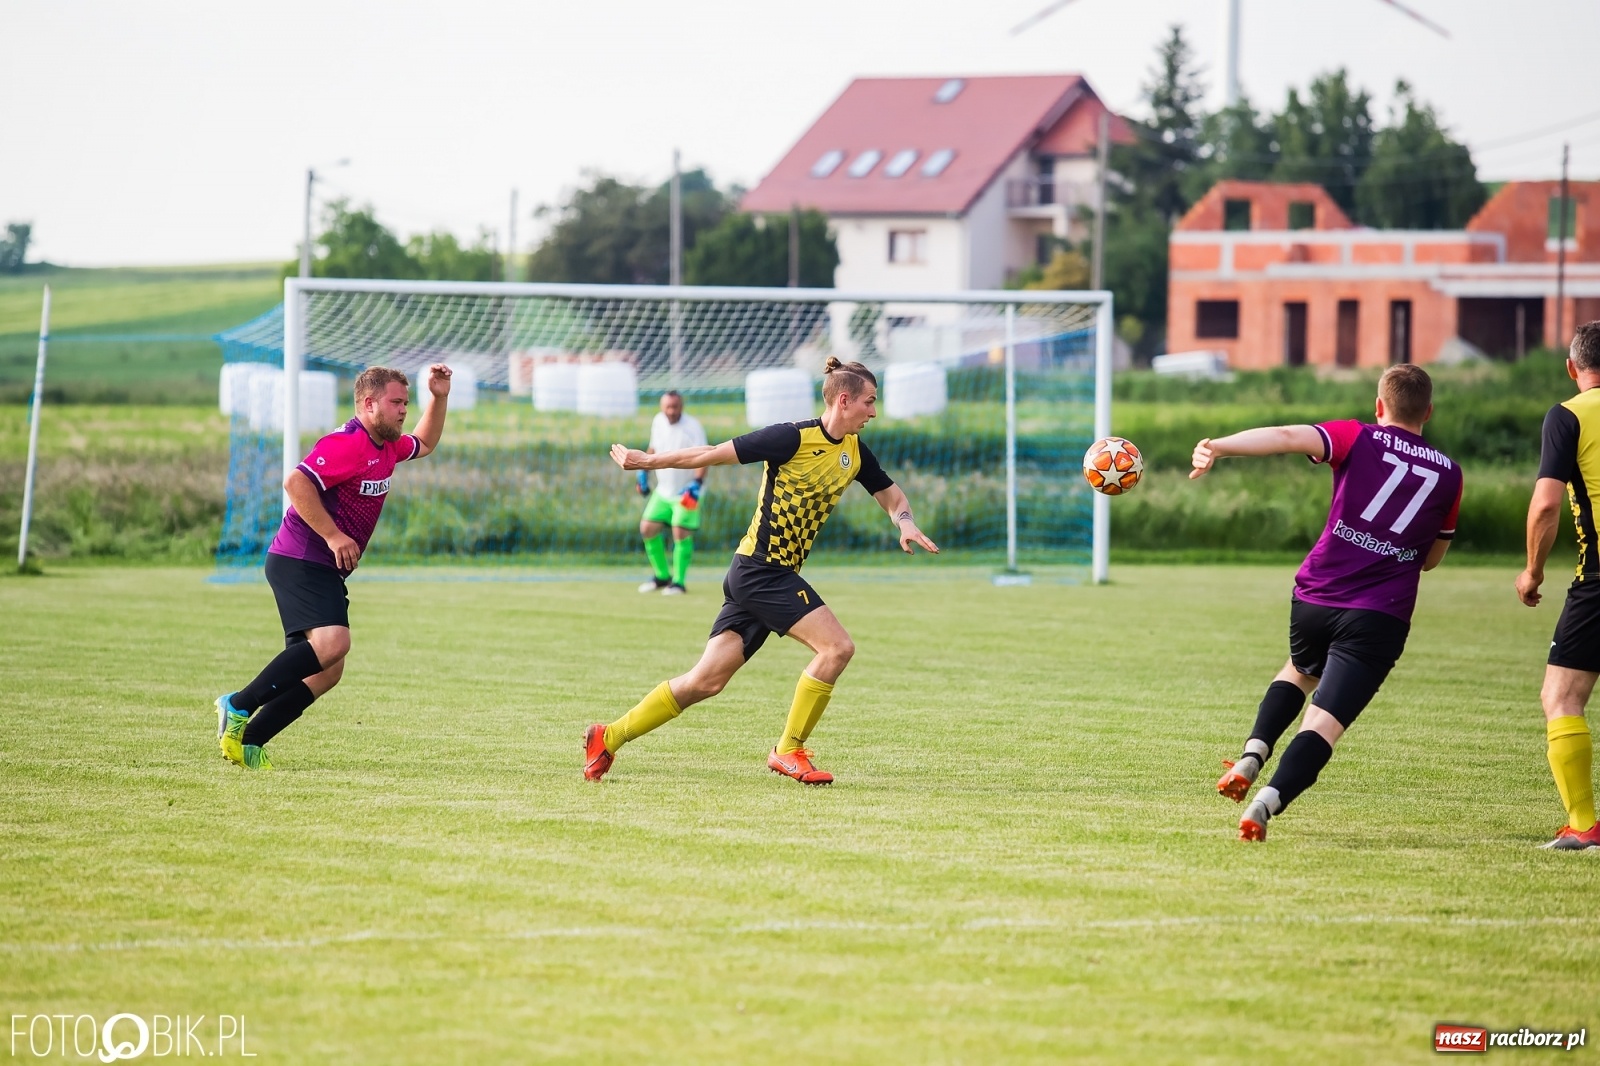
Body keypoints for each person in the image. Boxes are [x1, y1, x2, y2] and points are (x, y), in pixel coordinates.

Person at [587, 357, 939, 785]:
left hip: (758, 574)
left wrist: (905, 524)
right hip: (762, 571)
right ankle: (789, 751)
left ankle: (607, 737)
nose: (874, 411)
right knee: (837, 649)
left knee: (704, 681)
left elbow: (892, 496)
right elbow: (712, 453)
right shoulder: (790, 438)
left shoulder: (854, 452)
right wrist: (648, 462)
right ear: (844, 400)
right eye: (869, 401)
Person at [1193, 364, 1461, 841]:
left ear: (1379, 406)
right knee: (1324, 722)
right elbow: (1432, 559)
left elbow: (1285, 434)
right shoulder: (1450, 474)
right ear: (1429, 412)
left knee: (1299, 667)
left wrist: (1218, 445)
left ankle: (1252, 754)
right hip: (1381, 611)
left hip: (1316, 595)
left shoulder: (1356, 436)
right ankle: (1263, 804)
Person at [214, 364, 452, 770]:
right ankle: (236, 705)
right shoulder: (347, 443)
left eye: (405, 403)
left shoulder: (386, 446)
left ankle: (251, 740)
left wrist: (439, 396)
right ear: (368, 402)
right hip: (300, 558)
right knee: (333, 644)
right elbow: (295, 483)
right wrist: (333, 536)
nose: (402, 411)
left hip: (319, 566)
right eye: (396, 402)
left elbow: (425, 442)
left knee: (327, 670)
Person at [1516, 320, 1600, 850]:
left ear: (1572, 368)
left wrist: (1532, 570)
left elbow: (1547, 502)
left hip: (1599, 580)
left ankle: (1584, 825)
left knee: (1562, 696)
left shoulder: (1568, 415)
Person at [635, 390, 708, 595]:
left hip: (686, 492)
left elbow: (704, 455)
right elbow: (653, 448)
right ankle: (661, 576)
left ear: (681, 406)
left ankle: (679, 582)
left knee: (680, 531)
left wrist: (697, 482)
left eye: (675, 406)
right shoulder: (658, 421)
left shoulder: (692, 427)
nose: (671, 411)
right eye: (668, 406)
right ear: (662, 407)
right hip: (664, 490)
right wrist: (643, 472)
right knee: (647, 528)